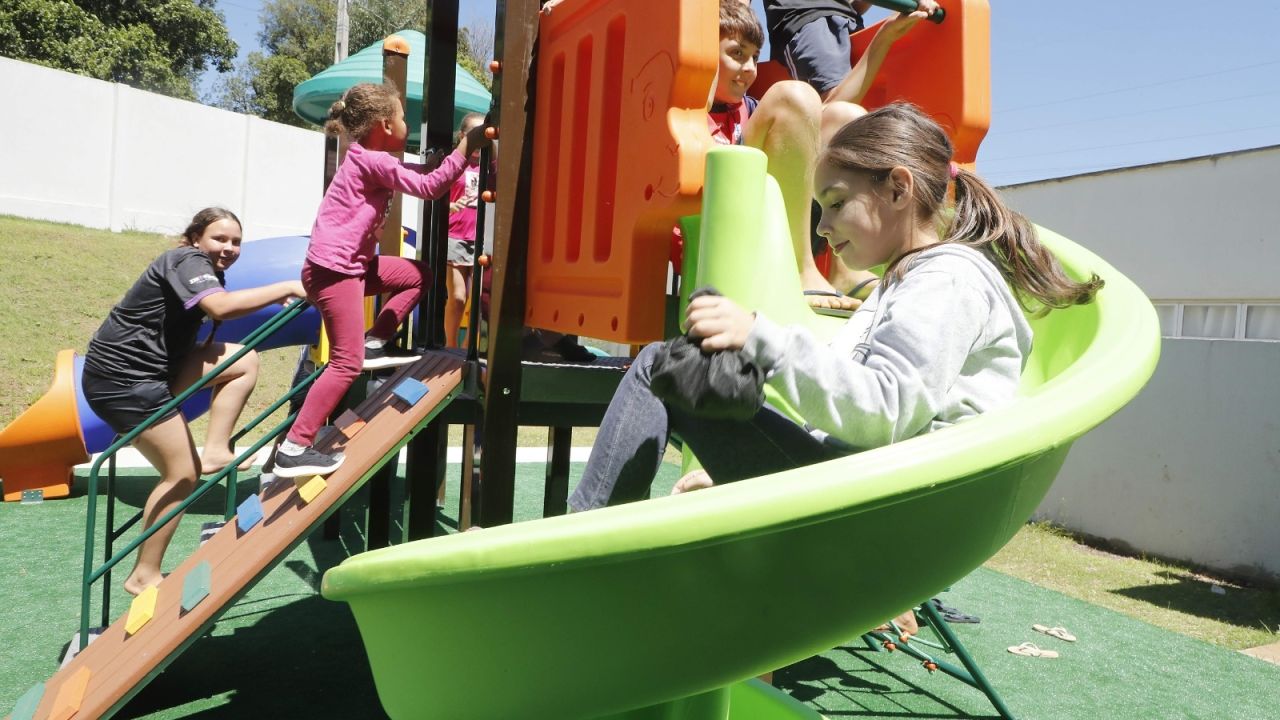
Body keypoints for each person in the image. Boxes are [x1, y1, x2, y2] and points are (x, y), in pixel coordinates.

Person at [568, 102, 1102, 512]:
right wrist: (736, 459)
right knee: (693, 373)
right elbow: (861, 417)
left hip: (878, 509)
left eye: (837, 204)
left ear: (898, 189)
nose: (822, 228)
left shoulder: (949, 279)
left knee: (661, 365)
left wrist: (758, 334)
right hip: (865, 488)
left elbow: (887, 412)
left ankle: (578, 550)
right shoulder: (909, 280)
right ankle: (591, 540)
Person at [81, 207, 306, 595]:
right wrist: (286, 286)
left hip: (156, 368)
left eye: (236, 241)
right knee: (181, 475)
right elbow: (220, 307)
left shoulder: (205, 269)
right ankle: (143, 575)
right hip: (123, 379)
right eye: (220, 238)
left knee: (243, 360)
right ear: (196, 237)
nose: (230, 247)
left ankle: (215, 449)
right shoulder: (185, 259)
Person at [273, 82, 490, 479]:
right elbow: (428, 186)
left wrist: (436, 162)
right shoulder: (370, 160)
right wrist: (466, 147)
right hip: (335, 271)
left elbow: (417, 173)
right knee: (345, 363)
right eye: (403, 116)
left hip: (350, 267)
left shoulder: (369, 160)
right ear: (385, 126)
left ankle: (376, 340)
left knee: (417, 276)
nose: (406, 122)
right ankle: (294, 446)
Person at [444, 112, 487, 349]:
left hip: (481, 238)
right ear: (463, 136)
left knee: (480, 300)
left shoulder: (489, 164)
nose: (480, 139)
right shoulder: (454, 162)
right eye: (474, 134)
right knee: (458, 297)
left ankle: (468, 348)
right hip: (455, 235)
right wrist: (449, 205)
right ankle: (450, 346)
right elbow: (435, 194)